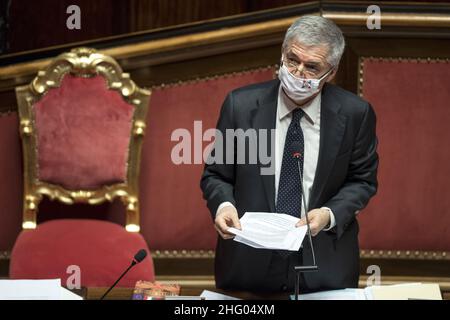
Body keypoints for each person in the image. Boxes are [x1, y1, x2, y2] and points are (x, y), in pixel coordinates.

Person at [200, 15, 378, 293]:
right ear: (282, 55)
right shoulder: (241, 106)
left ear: (331, 72)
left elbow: (363, 181)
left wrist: (329, 214)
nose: (297, 73)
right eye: (292, 60)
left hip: (324, 264)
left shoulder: (356, 113)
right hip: (248, 263)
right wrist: (224, 206)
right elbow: (216, 175)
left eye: (311, 67)